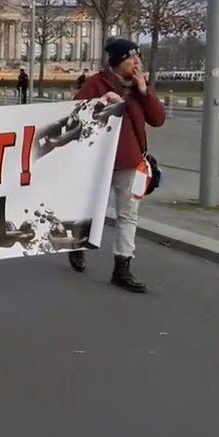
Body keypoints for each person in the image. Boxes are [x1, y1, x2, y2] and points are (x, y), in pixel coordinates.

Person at [72, 38, 165, 292]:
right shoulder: (96, 83)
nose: (136, 63)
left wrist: (145, 92)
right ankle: (79, 245)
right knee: (92, 208)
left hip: (130, 161)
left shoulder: (138, 88)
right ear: (116, 62)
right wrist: (101, 101)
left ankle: (122, 266)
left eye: (138, 58)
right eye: (130, 58)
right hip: (99, 160)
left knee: (127, 214)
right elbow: (76, 112)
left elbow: (157, 119)